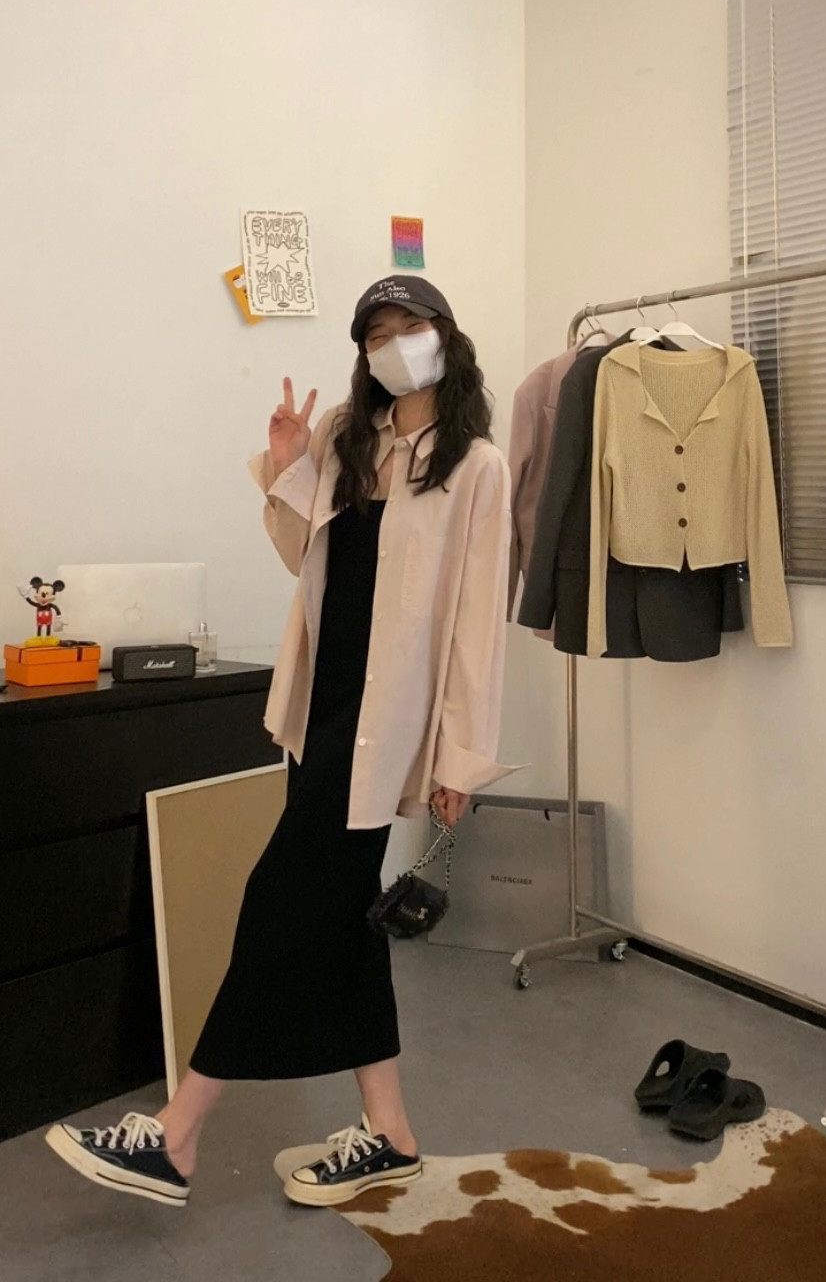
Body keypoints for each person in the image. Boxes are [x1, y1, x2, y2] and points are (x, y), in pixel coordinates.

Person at [45, 274, 514, 1210]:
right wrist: (289, 464)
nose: (393, 344)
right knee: (342, 921)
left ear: (444, 336)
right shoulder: (348, 433)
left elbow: (477, 625)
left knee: (277, 904)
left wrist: (462, 758)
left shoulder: (477, 467)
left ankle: (177, 1135)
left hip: (385, 727)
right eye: (375, 332)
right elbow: (304, 555)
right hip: (319, 709)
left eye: (408, 325)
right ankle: (391, 1135)